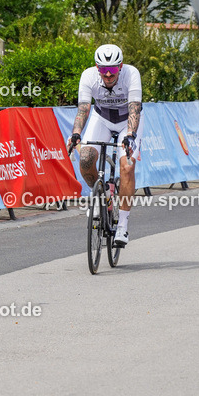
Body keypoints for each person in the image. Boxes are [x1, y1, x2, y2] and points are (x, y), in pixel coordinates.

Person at [66, 43, 142, 246]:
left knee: (127, 166)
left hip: (127, 121)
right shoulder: (88, 76)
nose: (108, 75)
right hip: (102, 119)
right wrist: (76, 134)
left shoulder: (131, 74)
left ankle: (123, 227)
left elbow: (135, 107)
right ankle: (103, 195)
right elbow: (83, 109)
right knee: (86, 158)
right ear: (97, 68)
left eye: (113, 70)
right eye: (103, 71)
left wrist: (131, 135)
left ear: (121, 66)